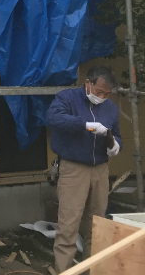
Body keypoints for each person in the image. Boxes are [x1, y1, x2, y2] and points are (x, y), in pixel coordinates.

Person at [46, 64, 122, 273]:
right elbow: (53, 118)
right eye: (99, 91)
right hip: (73, 167)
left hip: (101, 168)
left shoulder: (110, 107)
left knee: (96, 225)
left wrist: (116, 145)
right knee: (68, 224)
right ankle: (64, 270)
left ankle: (93, 270)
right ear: (87, 83)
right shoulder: (67, 98)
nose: (102, 97)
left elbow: (117, 134)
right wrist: (85, 125)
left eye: (107, 94)